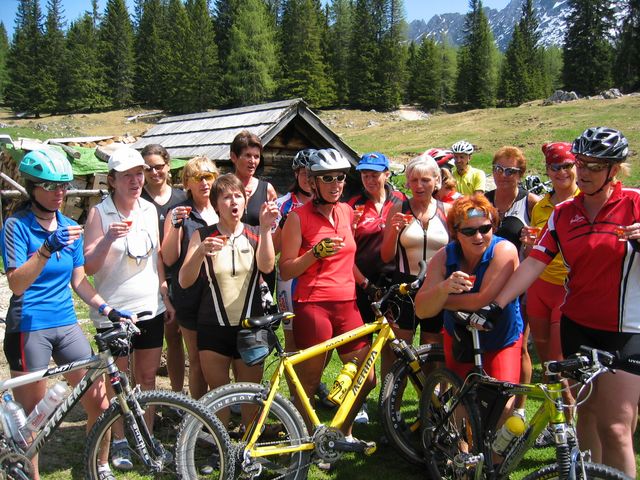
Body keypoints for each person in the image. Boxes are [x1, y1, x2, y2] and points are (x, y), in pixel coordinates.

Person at [476, 127, 640, 478]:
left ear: (615, 169)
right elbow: (535, 262)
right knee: (587, 416)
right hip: (577, 327)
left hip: (626, 331)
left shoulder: (635, 203)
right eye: (580, 163)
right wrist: (497, 304)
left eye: (594, 166)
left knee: (616, 427)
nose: (583, 172)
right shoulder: (564, 212)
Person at [0, 149, 125, 480]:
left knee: (99, 403)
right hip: (30, 326)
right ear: (33, 188)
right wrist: (45, 250)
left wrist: (107, 308)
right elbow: (16, 284)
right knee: (33, 421)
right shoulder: (16, 226)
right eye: (52, 186)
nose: (61, 193)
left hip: (66, 323)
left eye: (64, 186)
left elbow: (79, 280)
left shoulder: (69, 227)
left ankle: (98, 466)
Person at [84, 146, 172, 471]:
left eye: (139, 174)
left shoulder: (148, 209)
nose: (136, 181)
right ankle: (119, 439)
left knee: (147, 377)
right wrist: (107, 239)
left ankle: (145, 436)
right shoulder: (99, 214)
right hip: (115, 311)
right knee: (117, 380)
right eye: (127, 176)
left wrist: (164, 293)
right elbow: (88, 268)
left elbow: (157, 256)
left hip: (150, 307)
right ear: (112, 180)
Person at [279, 148, 375, 443]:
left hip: (347, 304)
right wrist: (314, 254)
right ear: (313, 182)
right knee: (309, 382)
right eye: (327, 178)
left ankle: (343, 431)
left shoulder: (346, 211)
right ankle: (304, 441)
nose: (336, 184)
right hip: (313, 305)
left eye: (340, 178)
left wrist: (367, 284)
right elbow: (286, 269)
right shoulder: (297, 218)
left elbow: (347, 258)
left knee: (367, 378)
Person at [178, 173, 277, 393]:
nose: (233, 202)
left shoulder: (255, 233)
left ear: (245, 201)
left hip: (250, 328)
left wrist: (265, 228)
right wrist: (200, 252)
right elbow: (184, 281)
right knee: (218, 396)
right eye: (226, 197)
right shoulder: (203, 235)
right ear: (216, 205)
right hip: (213, 328)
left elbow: (267, 266)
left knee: (250, 396)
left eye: (238, 196)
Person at [414, 194, 523, 385]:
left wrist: (440, 301)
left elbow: (481, 300)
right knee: (461, 396)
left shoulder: (504, 250)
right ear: (456, 233)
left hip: (500, 337)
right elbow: (422, 311)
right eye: (469, 231)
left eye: (485, 228)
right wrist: (443, 288)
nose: (478, 236)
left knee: (501, 398)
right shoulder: (443, 256)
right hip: (460, 336)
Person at [380, 153, 449, 376]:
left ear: (437, 181)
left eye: (425, 180)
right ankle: (390, 396)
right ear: (408, 182)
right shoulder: (399, 208)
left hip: (436, 287)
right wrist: (393, 231)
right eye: (414, 180)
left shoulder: (447, 211)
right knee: (398, 351)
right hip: (404, 287)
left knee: (433, 349)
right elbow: (386, 256)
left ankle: (431, 396)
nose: (419, 186)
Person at [485, 146, 540, 418]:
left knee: (519, 346)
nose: (503, 175)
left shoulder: (531, 203)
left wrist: (531, 244)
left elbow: (543, 247)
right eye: (499, 169)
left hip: (519, 285)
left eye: (511, 171)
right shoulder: (483, 200)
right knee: (485, 343)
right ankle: (487, 398)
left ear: (521, 174)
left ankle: (519, 407)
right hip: (485, 282)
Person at [523, 143, 579, 399]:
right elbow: (533, 255)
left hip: (567, 288)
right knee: (546, 360)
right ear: (547, 170)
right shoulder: (540, 206)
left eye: (567, 166)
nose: (561, 172)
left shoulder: (584, 201)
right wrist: (529, 245)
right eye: (555, 167)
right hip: (539, 286)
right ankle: (555, 412)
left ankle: (570, 414)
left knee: (559, 359)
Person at [161, 156, 219, 400]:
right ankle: (197, 411)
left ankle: (219, 406)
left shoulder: (223, 207)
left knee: (218, 357)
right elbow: (169, 258)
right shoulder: (179, 212)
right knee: (196, 360)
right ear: (187, 183)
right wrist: (176, 226)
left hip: (221, 293)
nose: (204, 183)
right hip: (191, 294)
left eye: (209, 176)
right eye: (198, 178)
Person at [140, 144, 188, 394]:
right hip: (145, 276)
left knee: (175, 338)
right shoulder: (137, 198)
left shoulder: (182, 198)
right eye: (148, 168)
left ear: (168, 166)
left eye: (159, 167)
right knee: (144, 342)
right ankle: (141, 395)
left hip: (177, 275)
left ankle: (177, 394)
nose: (154, 172)